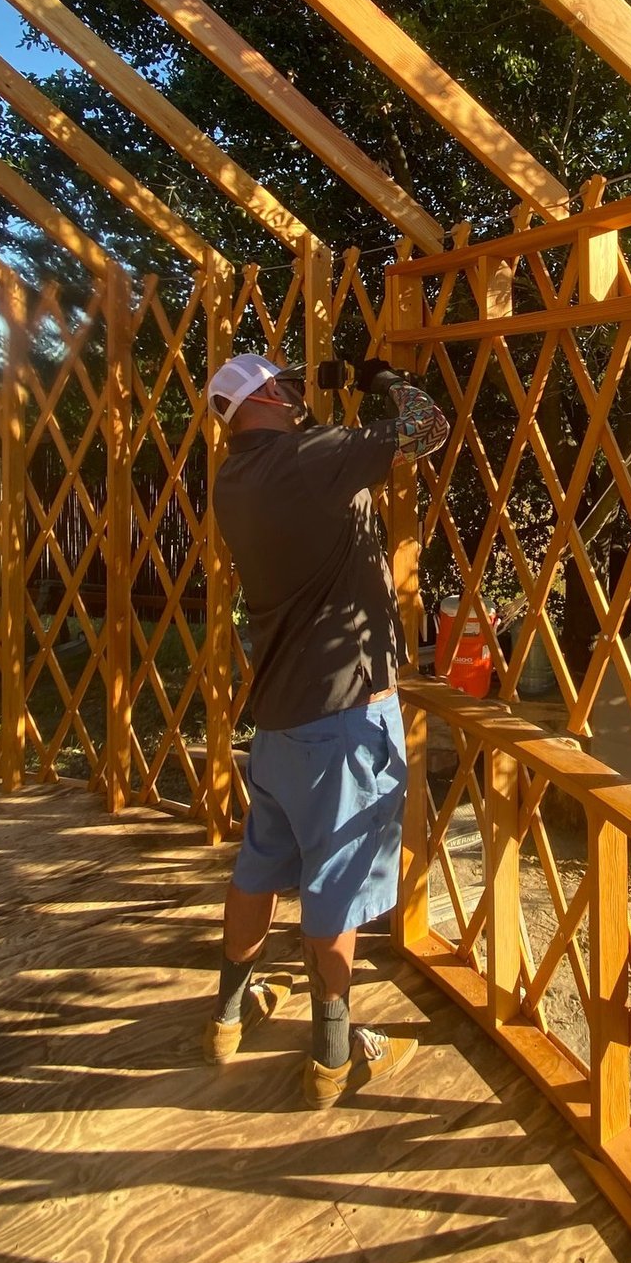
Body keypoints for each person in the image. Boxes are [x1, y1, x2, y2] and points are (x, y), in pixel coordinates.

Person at [200, 350, 448, 1109]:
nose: (298, 394)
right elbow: (427, 428)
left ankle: (227, 1016)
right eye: (287, 386)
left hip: (278, 722)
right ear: (263, 398)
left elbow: (328, 479)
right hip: (343, 719)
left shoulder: (233, 479)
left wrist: (330, 411)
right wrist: (382, 379)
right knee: (335, 892)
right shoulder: (310, 460)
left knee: (257, 869)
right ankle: (335, 1056)